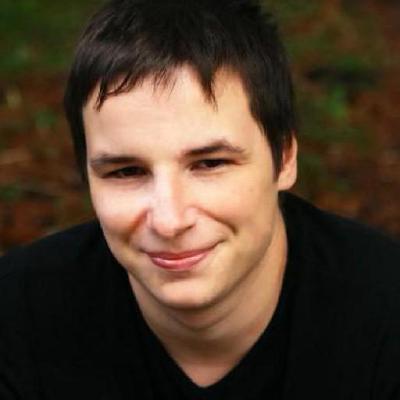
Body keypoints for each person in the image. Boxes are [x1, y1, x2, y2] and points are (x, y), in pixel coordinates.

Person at [1, 0, 399, 398]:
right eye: (126, 172)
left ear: (285, 158)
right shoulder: (16, 318)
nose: (169, 221)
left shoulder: (384, 314)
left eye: (209, 164)